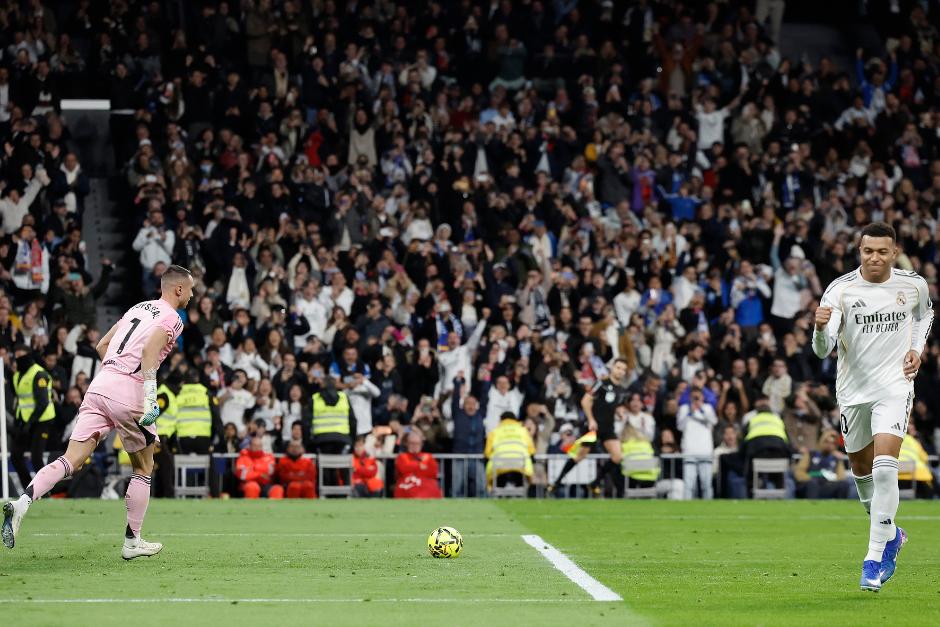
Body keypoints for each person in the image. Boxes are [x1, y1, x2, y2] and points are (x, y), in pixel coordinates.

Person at [3, 265, 194, 559]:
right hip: (129, 392)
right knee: (143, 467)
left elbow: (101, 344)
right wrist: (150, 398)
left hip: (100, 385)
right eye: (190, 289)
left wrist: (115, 373)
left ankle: (23, 501)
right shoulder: (173, 317)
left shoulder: (138, 308)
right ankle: (133, 542)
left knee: (71, 459)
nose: (192, 295)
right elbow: (148, 355)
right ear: (178, 289)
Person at [812, 222, 933, 591]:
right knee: (864, 477)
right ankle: (892, 534)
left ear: (893, 252)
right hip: (852, 393)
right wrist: (819, 330)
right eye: (868, 251)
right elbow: (822, 349)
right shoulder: (840, 290)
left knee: (884, 469)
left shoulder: (912, 284)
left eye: (882, 251)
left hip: (895, 387)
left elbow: (924, 314)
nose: (875, 257)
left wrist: (917, 349)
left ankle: (872, 560)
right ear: (859, 252)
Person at [580, 357, 632, 496]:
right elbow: (585, 401)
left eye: (623, 369)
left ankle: (595, 482)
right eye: (618, 368)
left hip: (608, 428)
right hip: (593, 426)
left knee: (617, 457)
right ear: (612, 368)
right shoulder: (600, 383)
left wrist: (619, 411)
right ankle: (556, 483)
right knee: (579, 456)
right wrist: (591, 419)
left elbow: (611, 405)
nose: (620, 371)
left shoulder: (621, 390)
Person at [9, 343, 56, 489]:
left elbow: (42, 403)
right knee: (15, 456)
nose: (18, 359)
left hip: (42, 420)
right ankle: (29, 489)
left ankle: (45, 491)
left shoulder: (39, 374)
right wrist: (19, 421)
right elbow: (22, 401)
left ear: (28, 355)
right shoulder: (16, 376)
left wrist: (29, 423)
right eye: (16, 356)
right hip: (26, 420)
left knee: (36, 458)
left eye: (21, 355)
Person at [174, 369, 223, 496]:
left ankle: (186, 494)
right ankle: (215, 493)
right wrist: (219, 439)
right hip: (203, 437)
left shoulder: (178, 393)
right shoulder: (206, 393)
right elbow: (217, 418)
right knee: (210, 464)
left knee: (184, 466)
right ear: (198, 379)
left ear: (184, 380)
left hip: (183, 437)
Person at [676, 387, 718, 499]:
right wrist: (690, 412)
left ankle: (708, 509)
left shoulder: (708, 408)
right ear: (690, 397)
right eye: (693, 397)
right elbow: (680, 427)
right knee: (689, 485)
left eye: (698, 397)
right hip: (690, 450)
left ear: (703, 397)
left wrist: (701, 410)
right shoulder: (684, 409)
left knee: (706, 484)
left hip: (705, 450)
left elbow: (714, 421)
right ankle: (687, 509)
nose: (696, 399)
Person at [484, 411, 536, 490]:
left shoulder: (494, 432)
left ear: (501, 420)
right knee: (520, 481)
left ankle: (499, 496)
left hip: (499, 465)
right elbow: (531, 451)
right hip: (520, 465)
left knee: (499, 482)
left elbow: (487, 453)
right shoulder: (523, 431)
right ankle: (520, 495)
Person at [794, 429, 849, 499]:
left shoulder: (836, 459)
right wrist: (812, 478)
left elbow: (841, 477)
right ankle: (812, 507)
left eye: (833, 443)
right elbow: (799, 473)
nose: (829, 445)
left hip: (827, 484)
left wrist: (831, 478)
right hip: (810, 484)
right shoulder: (810, 455)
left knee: (844, 484)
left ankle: (840, 507)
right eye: (827, 442)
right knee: (813, 484)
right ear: (821, 441)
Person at [152, 373, 180, 497]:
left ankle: (162, 494)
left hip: (161, 437)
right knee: (166, 464)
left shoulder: (164, 394)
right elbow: (153, 415)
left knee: (164, 465)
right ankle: (168, 494)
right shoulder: (164, 394)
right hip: (158, 437)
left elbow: (153, 415)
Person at [394, 431, 442, 498]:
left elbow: (433, 472)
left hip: (427, 486)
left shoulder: (428, 456)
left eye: (417, 443)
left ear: (421, 444)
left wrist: (413, 468)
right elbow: (404, 469)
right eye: (412, 443)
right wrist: (421, 465)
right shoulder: (402, 457)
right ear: (407, 443)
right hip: (407, 486)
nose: (415, 446)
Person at [621, 424, 659, 492]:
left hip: (631, 476)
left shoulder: (624, 445)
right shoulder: (646, 443)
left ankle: (619, 494)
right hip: (650, 476)